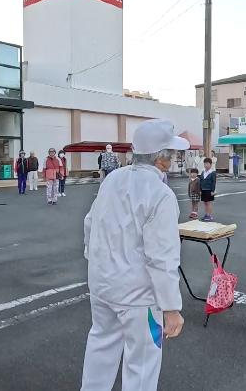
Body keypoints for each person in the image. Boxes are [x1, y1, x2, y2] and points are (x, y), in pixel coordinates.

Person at [81, 119, 187, 391]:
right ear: (161, 159)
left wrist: (96, 261)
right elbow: (162, 257)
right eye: (172, 153)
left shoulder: (113, 178)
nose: (174, 158)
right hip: (138, 295)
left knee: (101, 345)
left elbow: (90, 223)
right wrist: (171, 308)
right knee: (141, 363)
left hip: (102, 284)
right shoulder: (161, 194)